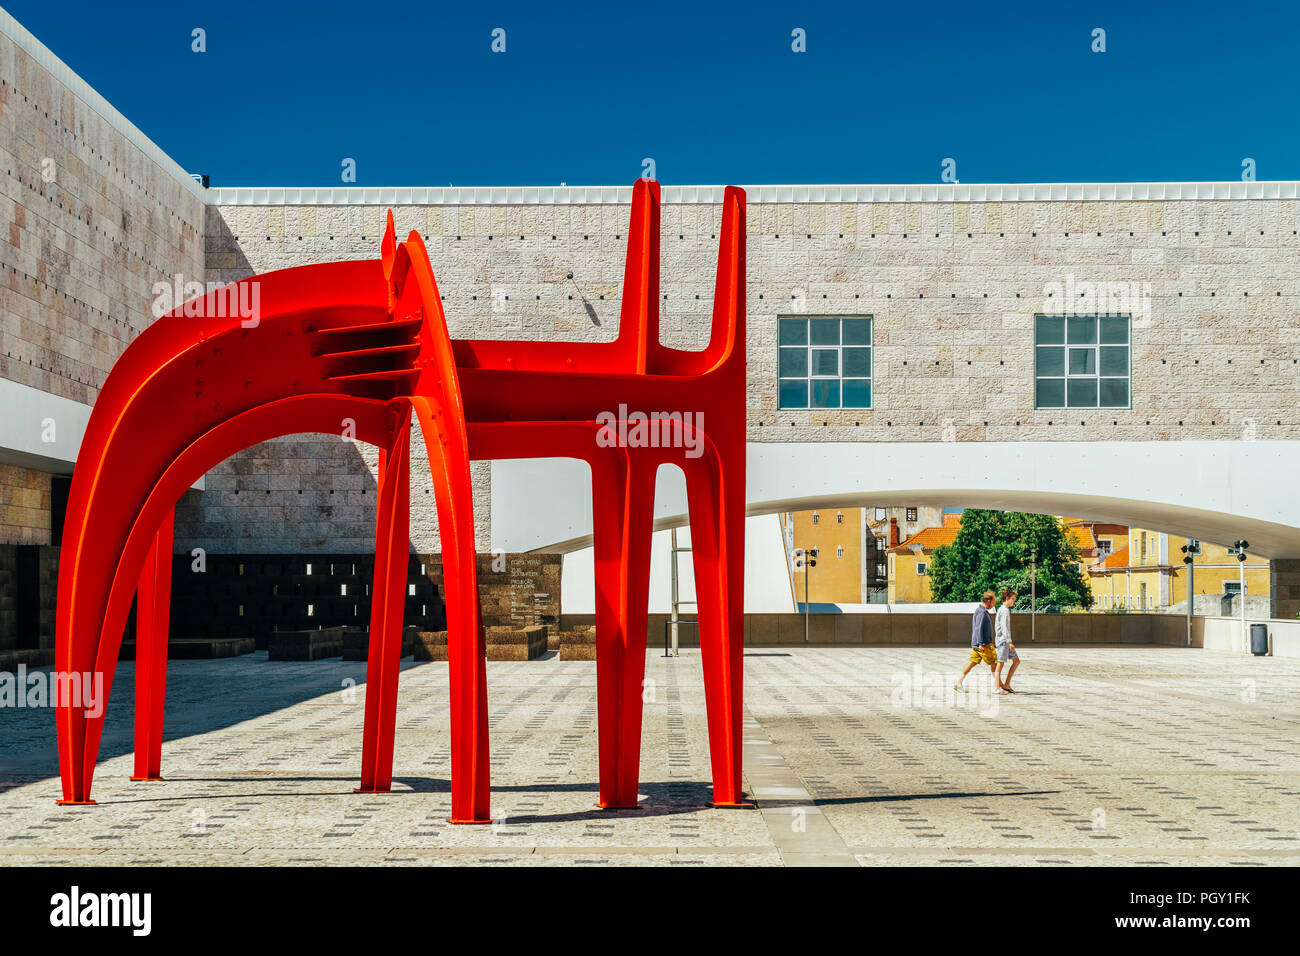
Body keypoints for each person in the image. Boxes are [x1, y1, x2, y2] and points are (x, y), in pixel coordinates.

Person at [955, 591, 997, 690]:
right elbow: (979, 629)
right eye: (993, 603)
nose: (993, 605)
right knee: (995, 663)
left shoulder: (980, 610)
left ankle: (959, 682)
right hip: (983, 644)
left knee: (972, 662)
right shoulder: (982, 612)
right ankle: (997, 687)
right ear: (988, 601)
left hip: (979, 644)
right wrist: (981, 644)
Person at [994, 588, 1020, 694]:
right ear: (1007, 598)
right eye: (1013, 599)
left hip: (1005, 641)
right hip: (1003, 642)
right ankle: (996, 688)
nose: (1014, 601)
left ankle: (1006, 684)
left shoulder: (1003, 609)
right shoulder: (1004, 610)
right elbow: (1004, 627)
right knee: (1000, 664)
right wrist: (1009, 642)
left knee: (1016, 661)